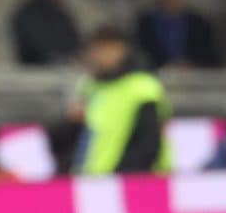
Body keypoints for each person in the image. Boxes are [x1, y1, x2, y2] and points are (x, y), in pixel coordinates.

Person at [73, 26, 172, 175]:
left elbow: (148, 143)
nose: (98, 56)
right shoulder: (92, 88)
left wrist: (123, 178)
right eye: (95, 50)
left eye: (105, 49)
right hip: (97, 181)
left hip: (137, 183)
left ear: (122, 49)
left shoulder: (142, 87)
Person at [136, 0, 221, 68]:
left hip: (194, 81)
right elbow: (141, 55)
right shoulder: (145, 22)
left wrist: (191, 66)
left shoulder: (200, 23)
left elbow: (212, 59)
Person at [11, 0, 80, 65]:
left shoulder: (62, 13)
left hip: (61, 69)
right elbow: (36, 47)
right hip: (39, 70)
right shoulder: (29, 12)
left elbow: (75, 43)